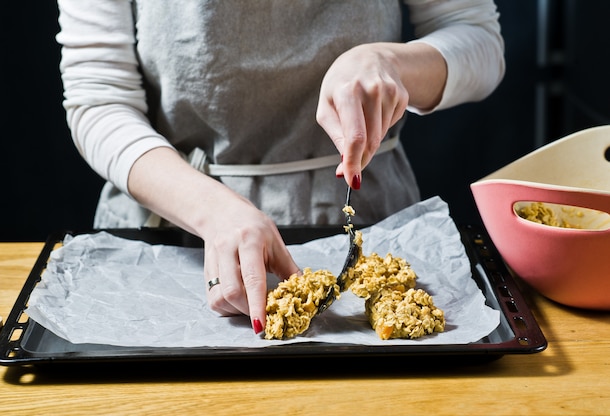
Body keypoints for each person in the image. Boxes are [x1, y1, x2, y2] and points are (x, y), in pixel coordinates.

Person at [56, 0, 505, 335]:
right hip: (171, 226)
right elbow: (98, 99)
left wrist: (392, 63)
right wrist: (211, 211)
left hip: (372, 213)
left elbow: (478, 40)